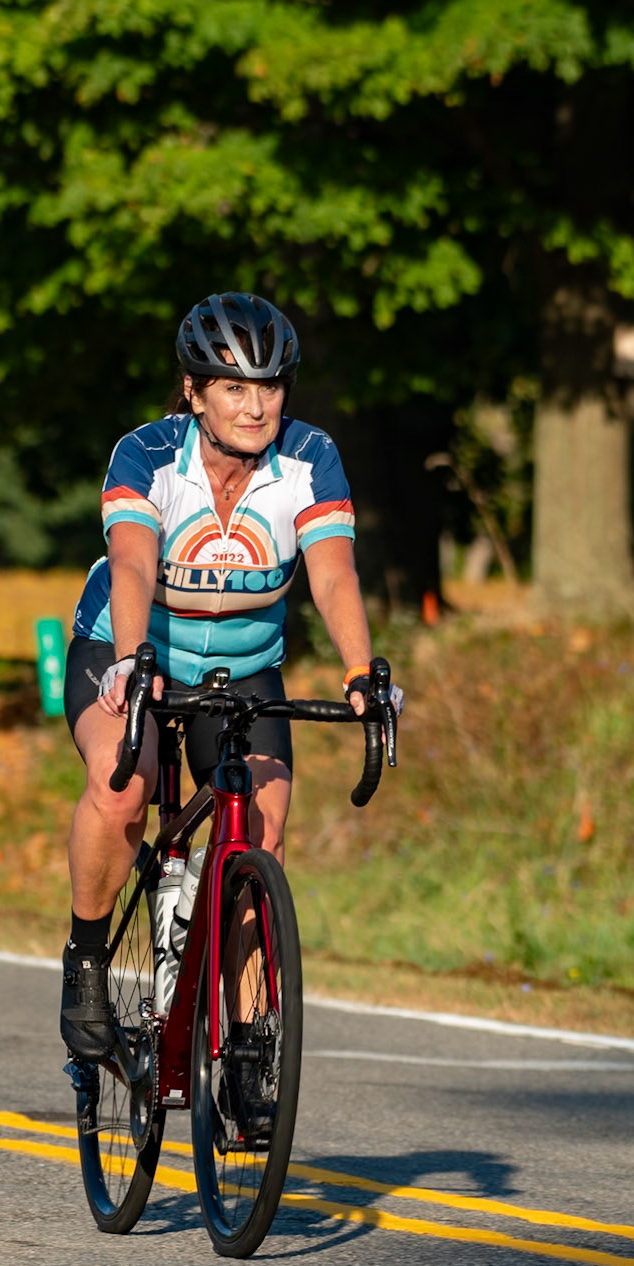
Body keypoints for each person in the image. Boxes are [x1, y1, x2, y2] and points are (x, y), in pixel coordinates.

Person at [59, 291, 379, 1061]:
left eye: (269, 387)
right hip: (126, 649)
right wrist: (131, 659)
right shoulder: (146, 454)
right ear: (194, 392)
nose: (254, 406)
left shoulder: (309, 458)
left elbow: (333, 574)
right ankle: (87, 957)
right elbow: (133, 564)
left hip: (244, 669)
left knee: (257, 835)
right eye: (233, 387)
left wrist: (360, 670)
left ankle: (248, 1041)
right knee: (122, 783)